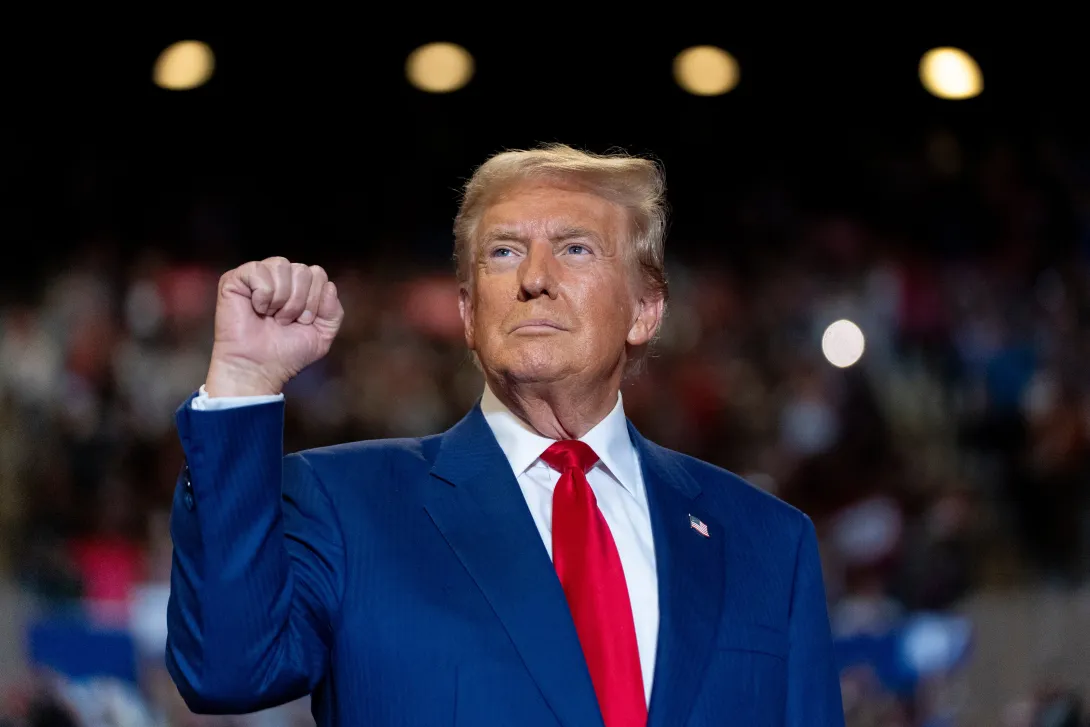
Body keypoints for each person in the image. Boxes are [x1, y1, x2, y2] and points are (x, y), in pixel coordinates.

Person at [166, 144, 845, 727]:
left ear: (645, 309)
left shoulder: (765, 541)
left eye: (575, 248)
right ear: (467, 312)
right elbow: (228, 669)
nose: (535, 278)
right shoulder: (347, 506)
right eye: (503, 251)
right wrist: (244, 382)